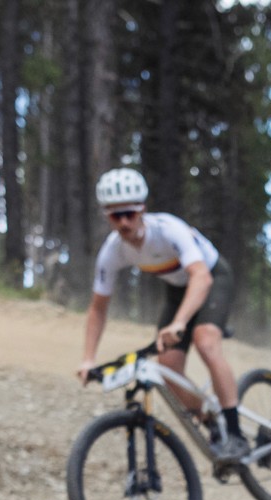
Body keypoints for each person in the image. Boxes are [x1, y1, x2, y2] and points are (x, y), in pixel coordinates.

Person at [76, 167, 245, 456]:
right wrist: (89, 359)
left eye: (130, 213)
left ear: (142, 209)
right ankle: (211, 422)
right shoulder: (112, 251)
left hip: (212, 277)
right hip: (178, 289)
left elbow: (201, 277)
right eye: (116, 216)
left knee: (205, 341)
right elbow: (98, 309)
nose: (125, 222)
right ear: (107, 216)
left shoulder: (168, 230)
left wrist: (179, 322)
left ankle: (236, 432)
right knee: (167, 366)